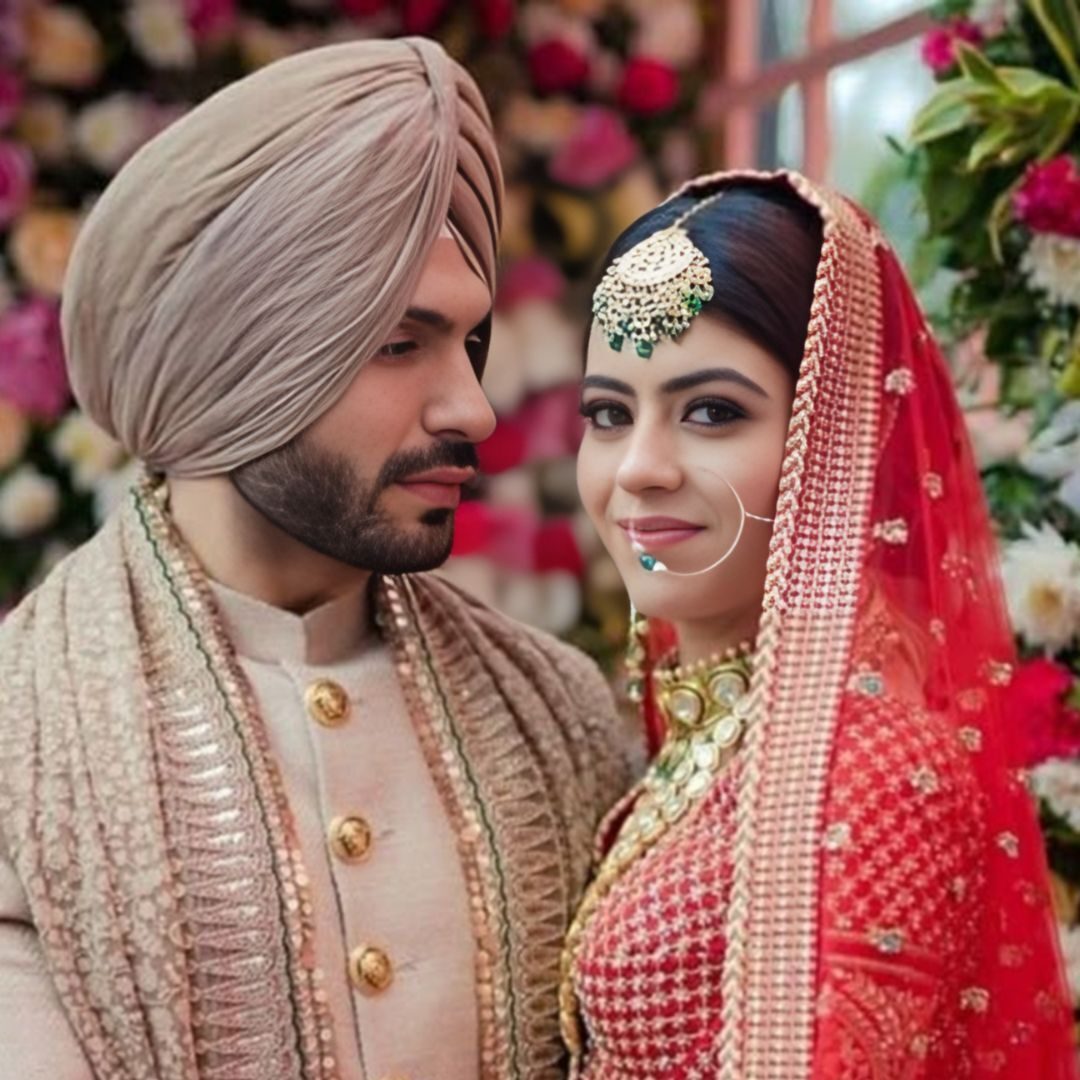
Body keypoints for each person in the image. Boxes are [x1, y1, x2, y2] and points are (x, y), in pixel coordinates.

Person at [0, 38, 631, 1080]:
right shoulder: (24, 742)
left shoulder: (558, 716)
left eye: (467, 345)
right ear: (232, 365)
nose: (472, 406)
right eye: (399, 344)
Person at [561, 169, 1077, 1078]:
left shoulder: (876, 771)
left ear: (836, 436)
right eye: (608, 414)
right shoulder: (714, 735)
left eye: (711, 412)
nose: (636, 468)